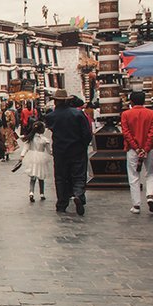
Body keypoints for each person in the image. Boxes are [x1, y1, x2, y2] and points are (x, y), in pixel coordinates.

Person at [45, 88, 93, 216]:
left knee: (61, 177)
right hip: (77, 149)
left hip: (60, 151)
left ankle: (62, 202)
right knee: (78, 175)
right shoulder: (77, 114)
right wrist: (83, 145)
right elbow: (87, 133)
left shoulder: (51, 116)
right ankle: (78, 194)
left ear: (55, 102)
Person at [121, 91, 153, 215]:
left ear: (131, 101)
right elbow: (152, 132)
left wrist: (137, 148)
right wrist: (146, 148)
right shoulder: (152, 113)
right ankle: (150, 196)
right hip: (150, 148)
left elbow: (126, 133)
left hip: (132, 149)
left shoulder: (126, 114)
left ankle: (136, 205)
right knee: (151, 173)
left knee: (134, 176)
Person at [19, 121, 53, 202]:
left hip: (31, 156)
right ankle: (42, 193)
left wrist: (22, 155)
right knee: (41, 176)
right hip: (41, 157)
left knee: (33, 176)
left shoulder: (30, 138)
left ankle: (31, 192)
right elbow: (49, 151)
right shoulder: (44, 140)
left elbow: (26, 147)